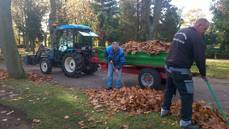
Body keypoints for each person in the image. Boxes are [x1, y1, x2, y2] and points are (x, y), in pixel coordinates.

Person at [160, 18, 210, 129]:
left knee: (169, 89)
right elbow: (200, 58)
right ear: (199, 24)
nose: (204, 31)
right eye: (205, 28)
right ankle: (186, 122)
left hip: (169, 67)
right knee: (187, 95)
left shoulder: (181, 31)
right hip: (180, 69)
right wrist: (203, 74)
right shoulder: (196, 37)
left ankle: (164, 110)